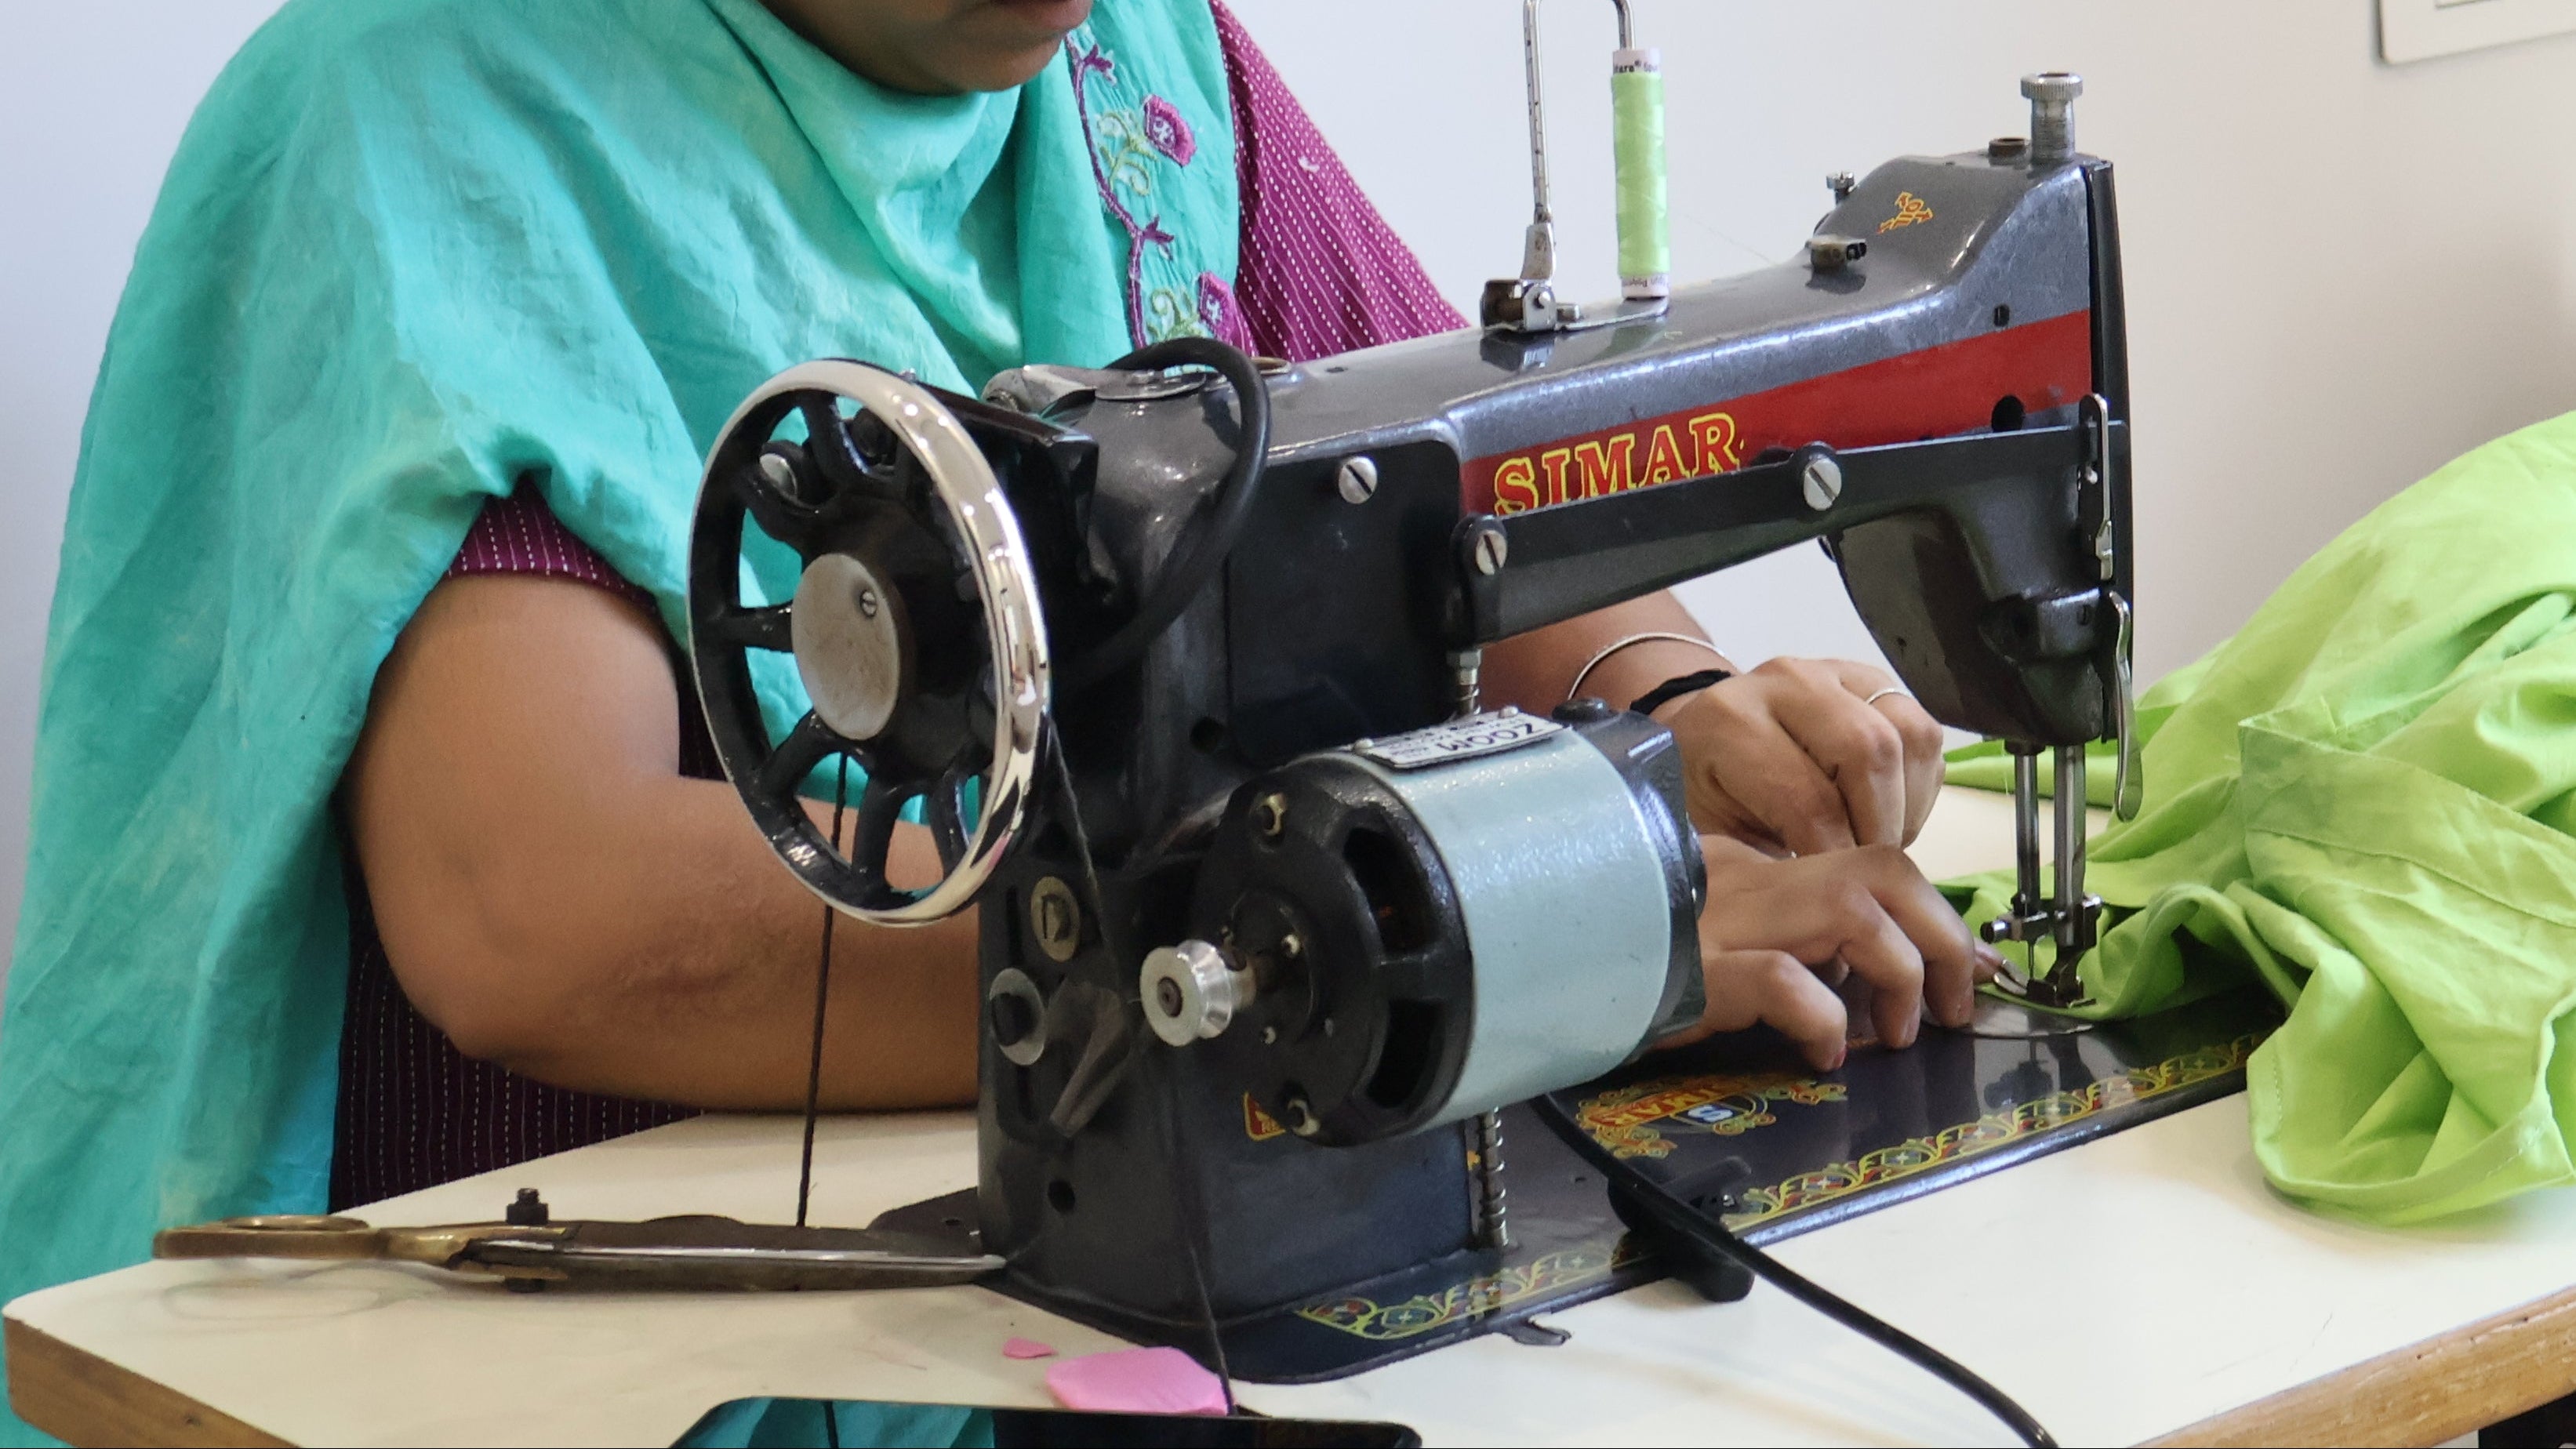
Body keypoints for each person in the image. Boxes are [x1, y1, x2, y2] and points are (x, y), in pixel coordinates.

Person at [0, 1, 2000, 1436]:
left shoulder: (1140, 67)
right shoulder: (422, 115)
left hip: (1086, 1242)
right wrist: (1551, 940)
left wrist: (1682, 701)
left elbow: (1438, 488)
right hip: (603, 1331)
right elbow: (546, 919)